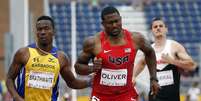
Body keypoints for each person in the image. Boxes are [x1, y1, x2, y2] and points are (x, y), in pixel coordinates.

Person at [74, 6, 160, 101]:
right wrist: (92, 68)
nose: (114, 25)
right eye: (110, 23)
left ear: (121, 20)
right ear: (103, 24)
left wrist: (153, 78)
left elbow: (150, 52)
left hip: (126, 94)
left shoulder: (136, 39)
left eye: (116, 21)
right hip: (101, 96)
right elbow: (78, 67)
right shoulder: (93, 43)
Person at [6, 15, 92, 101]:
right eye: (39, 29)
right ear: (36, 32)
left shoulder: (61, 58)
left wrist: (90, 82)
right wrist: (16, 97)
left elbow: (72, 82)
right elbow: (9, 78)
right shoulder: (24, 53)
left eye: (46, 28)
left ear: (54, 32)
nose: (42, 32)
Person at [133, 17, 197, 101]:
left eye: (161, 26)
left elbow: (192, 66)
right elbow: (141, 63)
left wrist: (172, 61)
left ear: (166, 29)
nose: (158, 28)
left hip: (172, 96)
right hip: (155, 95)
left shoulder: (174, 46)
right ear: (152, 31)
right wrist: (133, 77)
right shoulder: (149, 50)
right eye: (155, 27)